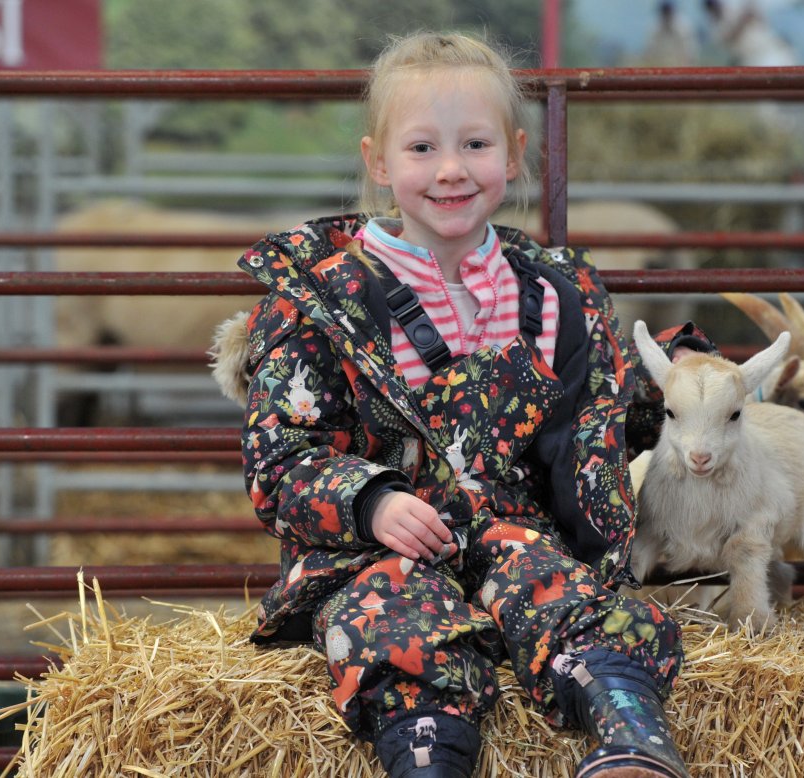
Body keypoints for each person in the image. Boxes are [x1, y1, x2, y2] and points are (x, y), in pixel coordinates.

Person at [220, 31, 712, 778]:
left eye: (475, 144)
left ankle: (632, 736)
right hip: (378, 550)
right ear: (378, 162)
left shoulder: (553, 296)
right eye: (422, 148)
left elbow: (596, 409)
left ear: (513, 155)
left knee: (568, 595)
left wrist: (683, 376)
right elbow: (281, 456)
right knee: (392, 621)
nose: (450, 169)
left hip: (510, 530)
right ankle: (428, 761)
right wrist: (370, 501)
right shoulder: (324, 301)